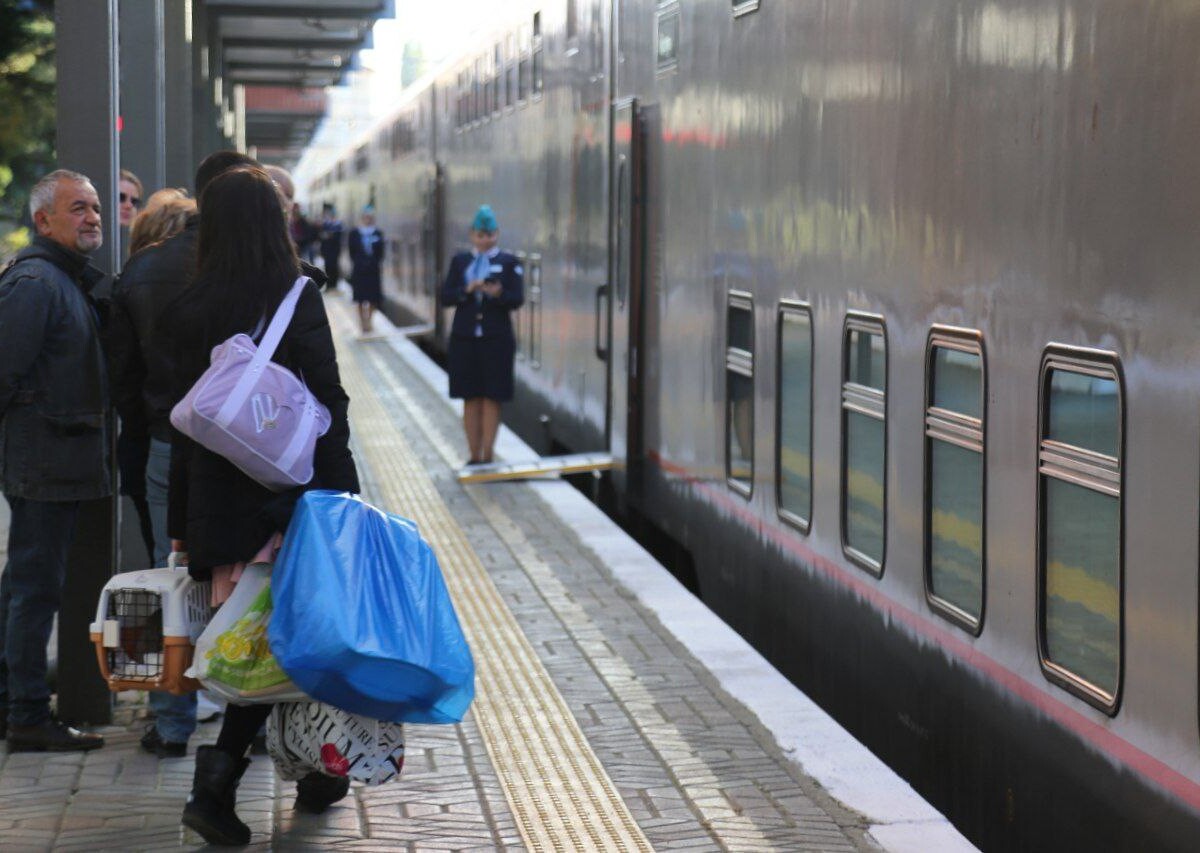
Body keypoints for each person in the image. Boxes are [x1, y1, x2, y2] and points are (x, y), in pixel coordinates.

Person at [164, 166, 359, 845]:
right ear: (271, 225)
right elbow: (328, 404)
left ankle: (274, 780)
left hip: (221, 507)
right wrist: (343, 501)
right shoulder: (296, 295)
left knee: (259, 645)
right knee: (296, 641)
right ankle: (240, 784)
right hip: (287, 503)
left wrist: (183, 531)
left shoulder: (188, 306)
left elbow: (181, 428)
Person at [108, 152, 259, 759]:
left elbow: (123, 374)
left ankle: (169, 719)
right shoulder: (253, 272)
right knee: (247, 581)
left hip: (168, 447)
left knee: (168, 576)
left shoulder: (142, 272)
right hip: (245, 453)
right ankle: (243, 710)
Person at [0, 169, 109, 752]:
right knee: (34, 591)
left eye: (93, 207)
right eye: (77, 209)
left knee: (22, 584)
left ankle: (12, 704)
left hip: (55, 460)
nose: (92, 217)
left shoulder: (62, 280)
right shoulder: (38, 284)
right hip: (42, 462)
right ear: (43, 221)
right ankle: (26, 717)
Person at [440, 205, 524, 466]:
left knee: (492, 396)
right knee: (470, 396)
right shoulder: (460, 262)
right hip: (464, 338)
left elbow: (517, 299)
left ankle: (488, 453)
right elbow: (446, 297)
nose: (485, 239)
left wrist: (498, 294)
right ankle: (473, 454)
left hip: (496, 339)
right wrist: (467, 290)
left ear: (496, 234)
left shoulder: (509, 263)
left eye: (489, 234)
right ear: (471, 235)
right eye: (480, 235)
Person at [348, 206, 385, 336]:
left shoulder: (377, 233)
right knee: (359, 298)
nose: (368, 219)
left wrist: (373, 262)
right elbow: (351, 251)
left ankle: (369, 321)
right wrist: (360, 262)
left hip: (373, 270)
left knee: (373, 298)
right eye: (366, 216)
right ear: (362, 217)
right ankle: (362, 322)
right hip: (359, 270)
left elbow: (381, 253)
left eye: (370, 217)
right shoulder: (354, 233)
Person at [318, 203, 344, 291]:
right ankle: (329, 285)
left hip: (335, 250)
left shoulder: (338, 224)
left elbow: (336, 237)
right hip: (327, 250)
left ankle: (334, 285)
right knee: (327, 267)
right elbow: (322, 236)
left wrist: (328, 235)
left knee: (334, 267)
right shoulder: (326, 224)